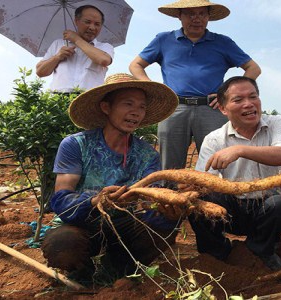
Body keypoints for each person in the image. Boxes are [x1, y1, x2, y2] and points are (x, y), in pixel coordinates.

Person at [41, 73, 183, 281]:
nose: (136, 112)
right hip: (82, 223)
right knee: (62, 244)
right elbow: (61, 200)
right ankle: (82, 271)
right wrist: (94, 201)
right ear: (106, 107)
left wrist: (168, 209)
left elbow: (151, 198)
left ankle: (118, 268)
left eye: (142, 107)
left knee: (167, 221)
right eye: (128, 104)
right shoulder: (76, 145)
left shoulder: (147, 154)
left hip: (126, 224)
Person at [129, 0, 261, 172]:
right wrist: (155, 89)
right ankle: (168, 197)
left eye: (201, 14)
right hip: (173, 107)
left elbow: (253, 68)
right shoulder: (164, 39)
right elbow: (135, 65)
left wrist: (225, 96)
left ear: (208, 17)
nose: (196, 18)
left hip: (210, 108)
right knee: (169, 165)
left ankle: (217, 197)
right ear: (179, 16)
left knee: (217, 160)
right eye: (190, 13)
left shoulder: (222, 42)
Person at [187, 76, 281, 271]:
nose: (248, 104)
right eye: (238, 100)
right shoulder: (214, 139)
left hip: (267, 208)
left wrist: (240, 150)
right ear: (223, 108)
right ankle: (216, 253)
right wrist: (191, 188)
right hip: (232, 209)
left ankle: (262, 248)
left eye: (253, 97)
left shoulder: (277, 122)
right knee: (199, 200)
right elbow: (204, 180)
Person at [36, 5, 114, 93]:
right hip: (58, 99)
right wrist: (57, 57)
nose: (92, 27)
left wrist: (76, 39)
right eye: (87, 22)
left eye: (97, 24)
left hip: (89, 99)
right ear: (76, 21)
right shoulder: (59, 44)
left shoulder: (104, 47)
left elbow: (104, 60)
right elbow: (40, 72)